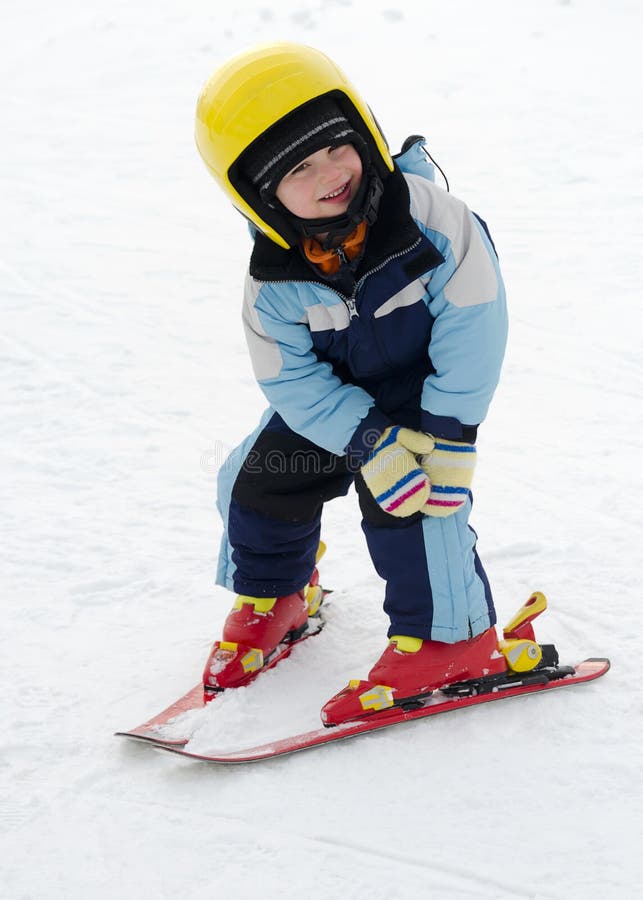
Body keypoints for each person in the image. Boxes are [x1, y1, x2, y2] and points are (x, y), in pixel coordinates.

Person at [194, 41, 509, 724]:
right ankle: (275, 593)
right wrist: (365, 440)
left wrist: (450, 436)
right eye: (299, 169)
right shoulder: (271, 282)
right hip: (337, 406)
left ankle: (452, 639)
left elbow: (474, 325)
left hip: (427, 394)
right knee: (256, 478)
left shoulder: (432, 224)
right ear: (258, 196)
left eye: (338, 146)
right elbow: (290, 380)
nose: (331, 172)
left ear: (362, 132)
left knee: (416, 504)